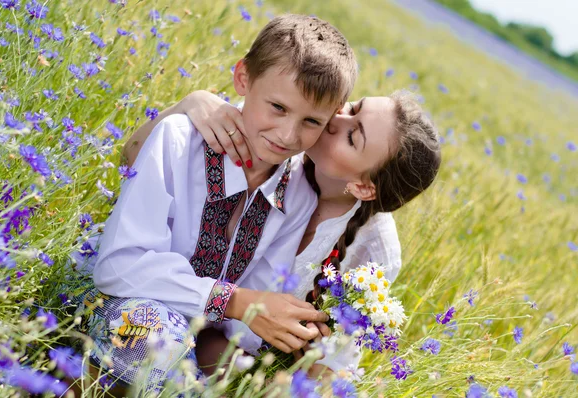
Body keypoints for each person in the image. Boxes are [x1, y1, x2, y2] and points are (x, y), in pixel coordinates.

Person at [69, 14, 358, 393]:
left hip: (193, 332)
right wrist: (234, 300)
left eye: (311, 122)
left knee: (238, 373)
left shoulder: (299, 196)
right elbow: (119, 267)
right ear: (243, 78)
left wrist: (277, 326)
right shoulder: (179, 140)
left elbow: (251, 309)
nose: (288, 135)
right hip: (108, 302)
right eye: (277, 107)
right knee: (155, 340)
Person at [122, 89, 441, 377]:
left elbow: (331, 365)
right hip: (155, 298)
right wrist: (189, 104)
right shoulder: (280, 140)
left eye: (352, 137)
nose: (336, 119)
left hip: (229, 357)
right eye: (354, 107)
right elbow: (131, 160)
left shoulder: (373, 252)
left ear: (362, 186)